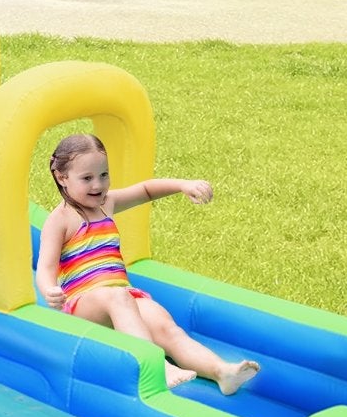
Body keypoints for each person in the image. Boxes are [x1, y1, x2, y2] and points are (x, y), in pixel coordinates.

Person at [35, 132, 259, 396]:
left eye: (104, 175)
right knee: (117, 297)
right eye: (87, 178)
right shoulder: (60, 219)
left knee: (167, 329)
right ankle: (158, 367)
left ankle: (222, 372)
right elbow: (46, 268)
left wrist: (182, 185)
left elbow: (146, 190)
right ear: (62, 178)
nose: (98, 185)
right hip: (84, 303)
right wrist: (49, 289)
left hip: (125, 296)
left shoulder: (108, 203)